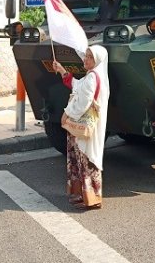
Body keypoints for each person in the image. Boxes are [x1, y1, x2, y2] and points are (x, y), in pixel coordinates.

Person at [52, 45, 110, 209]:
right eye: (86, 56)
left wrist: (67, 113)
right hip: (83, 125)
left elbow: (83, 102)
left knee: (84, 159)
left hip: (81, 124)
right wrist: (63, 70)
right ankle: (86, 196)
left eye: (90, 57)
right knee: (83, 159)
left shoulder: (92, 77)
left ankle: (89, 197)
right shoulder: (94, 75)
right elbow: (77, 86)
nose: (86, 59)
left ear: (97, 60)